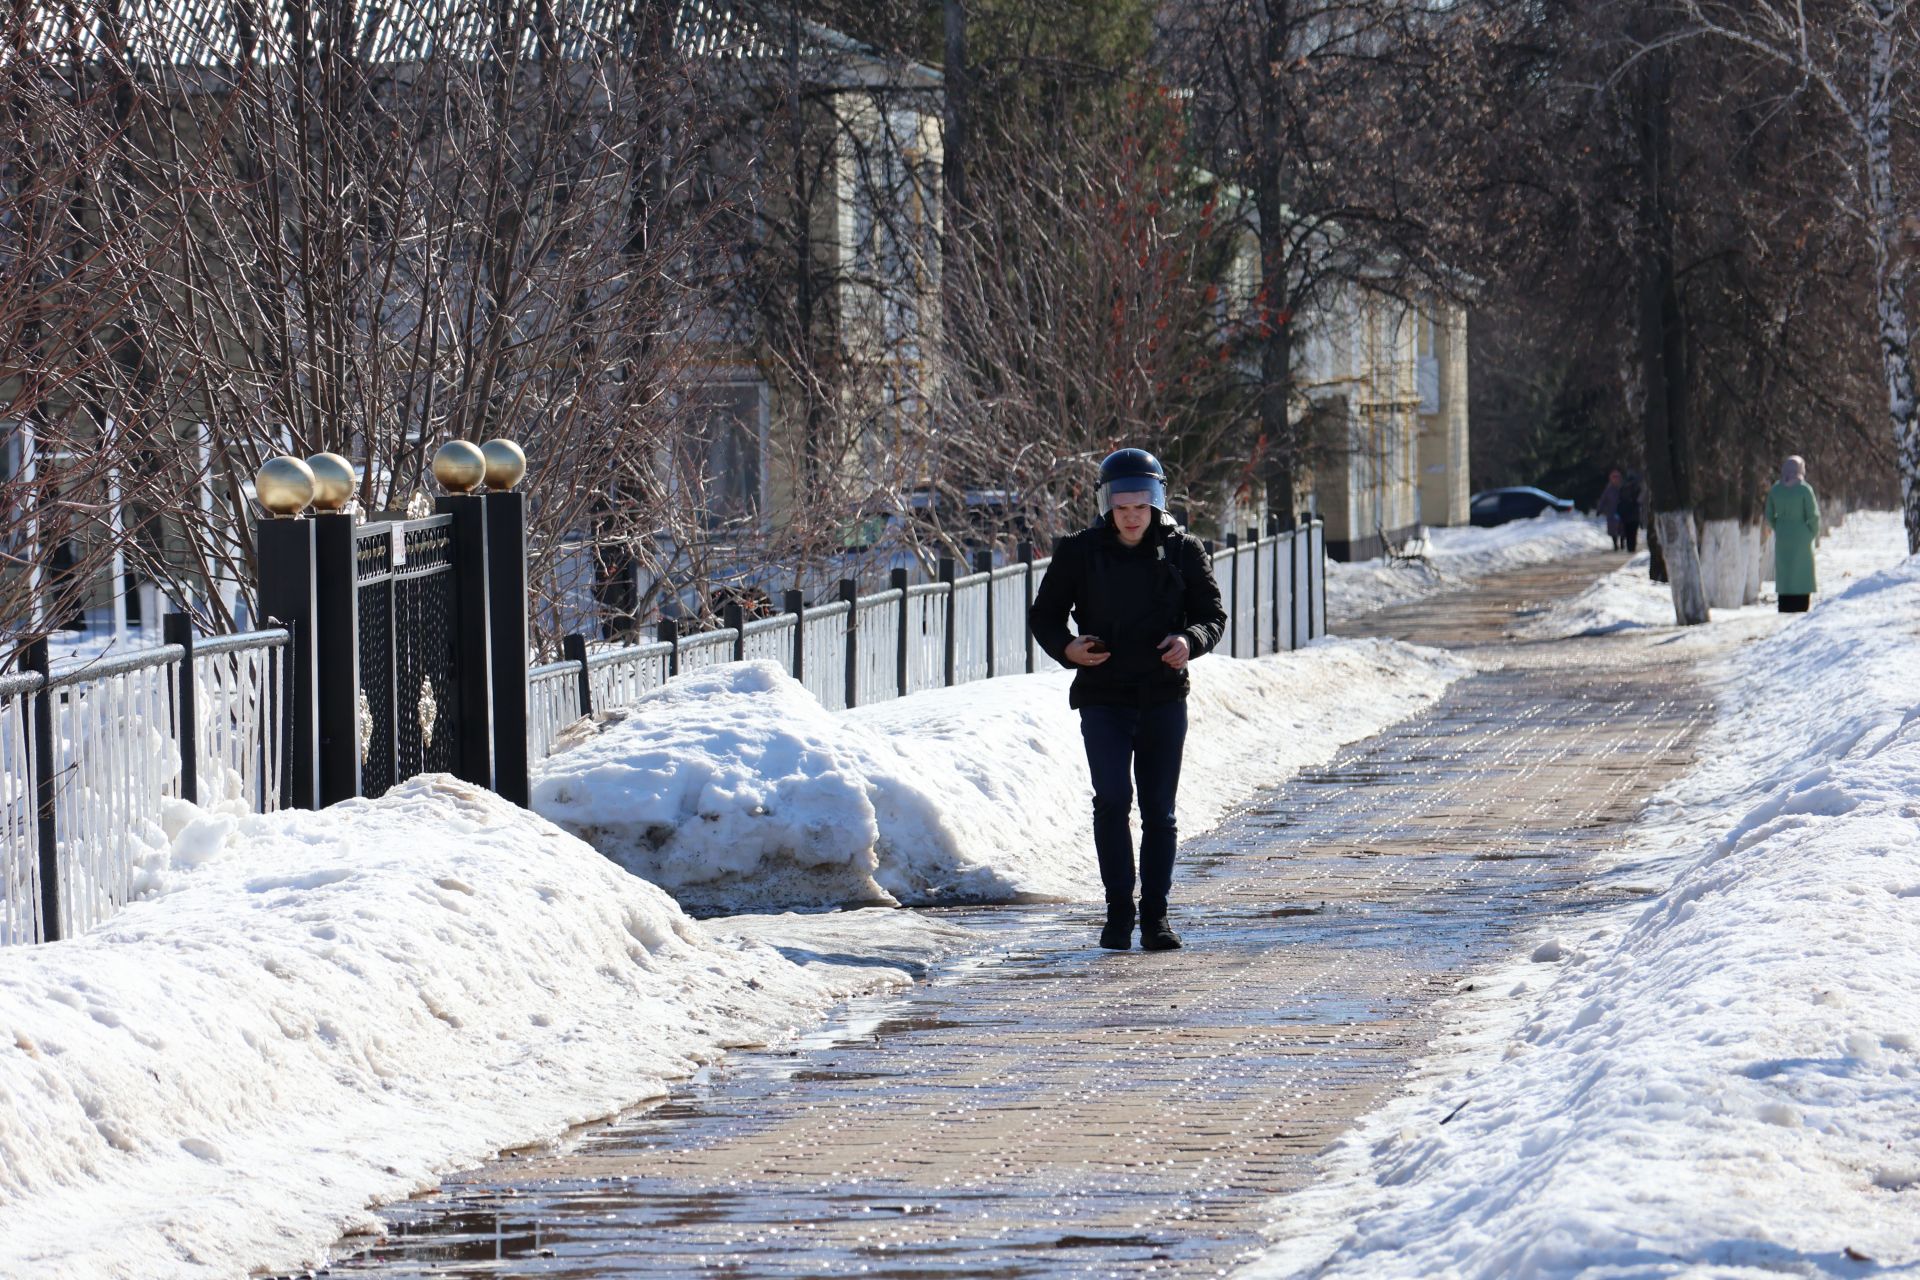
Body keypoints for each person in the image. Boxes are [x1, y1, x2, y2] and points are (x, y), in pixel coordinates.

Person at [1029, 449, 1228, 952]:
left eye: (1142, 505)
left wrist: (1190, 641)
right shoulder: (1079, 551)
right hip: (1104, 697)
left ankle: (1156, 917)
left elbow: (1212, 616)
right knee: (1113, 801)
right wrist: (1068, 649)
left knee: (1159, 810)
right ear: (1106, 505)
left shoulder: (1184, 550)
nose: (1133, 515)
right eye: (1122, 507)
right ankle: (1118, 911)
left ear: (1158, 502)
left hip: (1163, 697)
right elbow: (1045, 616)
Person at [1766, 455, 1820, 613]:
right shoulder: (1804, 489)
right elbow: (1813, 515)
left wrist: (1779, 527)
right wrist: (1811, 533)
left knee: (1785, 571)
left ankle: (1785, 605)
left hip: (1783, 537)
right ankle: (1801, 605)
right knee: (1801, 572)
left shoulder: (1775, 489)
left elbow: (1769, 515)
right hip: (1802, 536)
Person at [1596, 469, 1625, 550]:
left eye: (1617, 478)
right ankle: (1615, 544)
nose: (1615, 480)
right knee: (1613, 529)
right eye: (1614, 478)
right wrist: (1599, 509)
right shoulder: (1608, 490)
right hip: (1612, 512)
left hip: (1622, 511)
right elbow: (1603, 500)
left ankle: (1622, 543)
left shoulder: (1623, 488)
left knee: (1623, 529)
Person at [1617, 472, 1643, 554]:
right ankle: (1632, 546)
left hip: (1626, 514)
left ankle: (1629, 547)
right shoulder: (1637, 488)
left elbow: (1620, 499)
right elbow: (1639, 500)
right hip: (1634, 514)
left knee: (1627, 531)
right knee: (1633, 532)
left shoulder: (1623, 488)